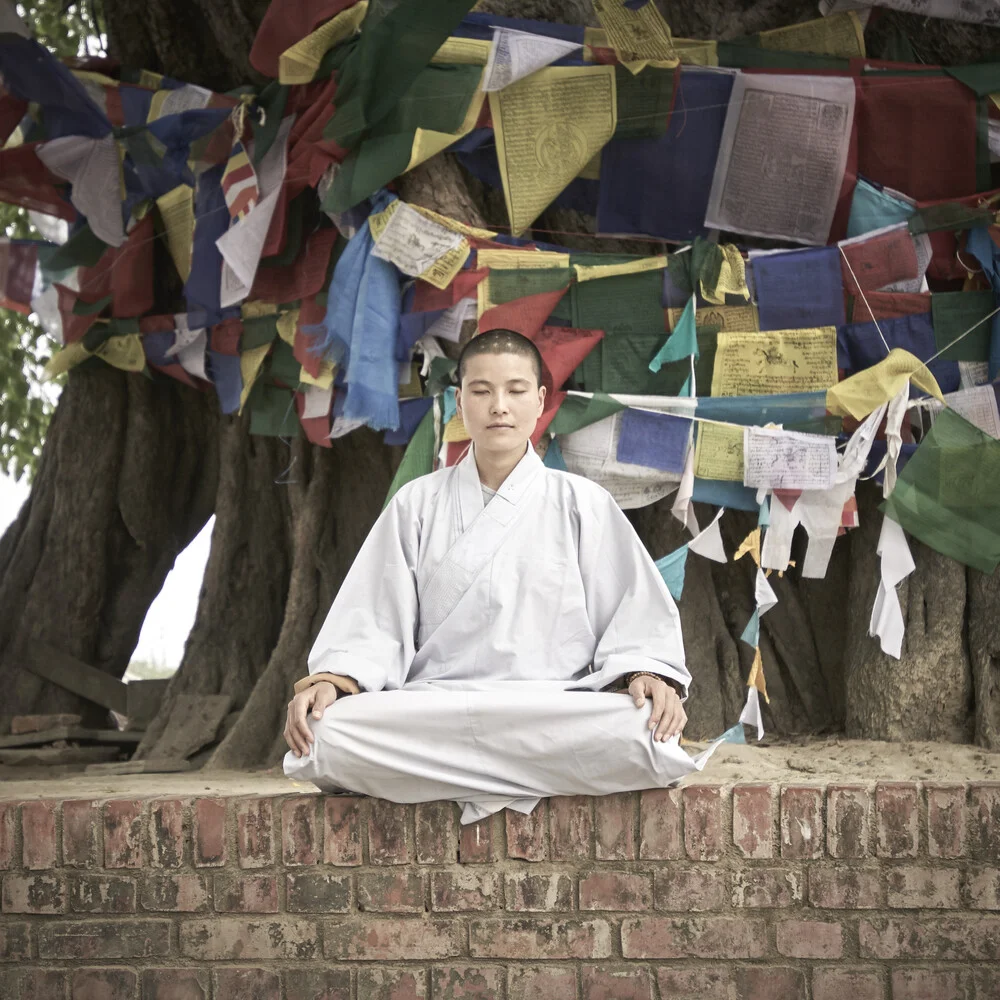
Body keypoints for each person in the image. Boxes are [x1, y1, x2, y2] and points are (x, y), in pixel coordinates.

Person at [283, 329, 717, 823]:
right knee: (328, 732)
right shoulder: (416, 504)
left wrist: (645, 673)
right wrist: (335, 681)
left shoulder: (583, 502)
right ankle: (526, 771)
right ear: (460, 400)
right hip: (432, 710)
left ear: (539, 401)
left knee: (644, 730)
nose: (499, 406)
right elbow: (372, 621)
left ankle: (456, 775)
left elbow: (633, 614)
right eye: (482, 391)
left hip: (553, 706)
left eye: (514, 391)